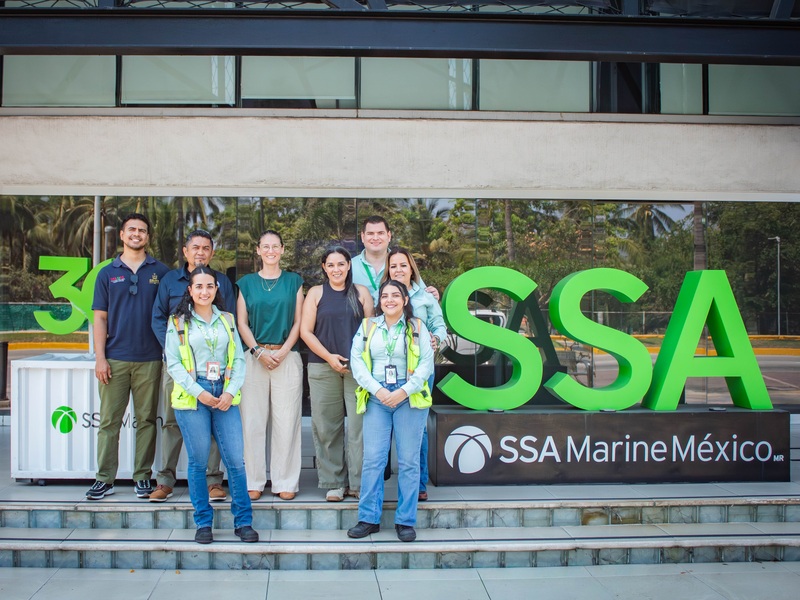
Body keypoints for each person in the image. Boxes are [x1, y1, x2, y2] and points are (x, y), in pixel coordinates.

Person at [164, 266, 257, 544]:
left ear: (216, 289)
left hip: (224, 394)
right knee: (198, 462)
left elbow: (238, 359)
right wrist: (199, 392)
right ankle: (203, 523)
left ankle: (243, 522)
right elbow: (173, 363)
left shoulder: (227, 319)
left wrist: (230, 391)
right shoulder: (178, 322)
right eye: (199, 286)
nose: (204, 291)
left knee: (236, 462)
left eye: (209, 286)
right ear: (190, 290)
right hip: (194, 396)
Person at [149, 230, 237, 503]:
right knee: (172, 422)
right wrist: (175, 350)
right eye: (195, 247)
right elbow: (158, 318)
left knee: (213, 422)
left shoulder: (222, 282)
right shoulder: (169, 281)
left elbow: (230, 321)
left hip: (215, 370)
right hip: (178, 367)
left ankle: (213, 480)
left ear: (212, 253)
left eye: (206, 248)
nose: (200, 252)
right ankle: (165, 480)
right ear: (185, 251)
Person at [86, 213, 169, 500]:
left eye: (142, 230)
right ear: (122, 235)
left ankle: (142, 477)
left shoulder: (161, 272)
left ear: (148, 237)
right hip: (115, 359)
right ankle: (104, 479)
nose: (136, 234)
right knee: (109, 422)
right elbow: (100, 318)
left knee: (146, 421)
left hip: (150, 359)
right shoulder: (107, 273)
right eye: (131, 229)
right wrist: (100, 358)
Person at [347, 279, 434, 542]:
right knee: (373, 459)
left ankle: (405, 521)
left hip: (409, 398)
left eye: (396, 295)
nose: (390, 300)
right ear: (379, 301)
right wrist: (378, 390)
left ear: (405, 300)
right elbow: (357, 361)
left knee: (408, 461)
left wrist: (403, 391)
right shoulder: (367, 326)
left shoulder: (417, 327)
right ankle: (368, 518)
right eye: (385, 296)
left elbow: (426, 364)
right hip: (377, 398)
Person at [300, 246, 373, 502]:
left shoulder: (361, 293)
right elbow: (305, 332)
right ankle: (334, 482)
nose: (336, 269)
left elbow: (371, 331)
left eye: (341, 264)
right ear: (324, 267)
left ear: (349, 265)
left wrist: (358, 361)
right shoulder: (316, 293)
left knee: (359, 427)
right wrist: (330, 357)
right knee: (326, 426)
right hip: (322, 366)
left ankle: (358, 482)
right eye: (330, 265)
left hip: (357, 369)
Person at [236, 230, 304, 501]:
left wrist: (284, 351)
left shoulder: (294, 281)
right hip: (254, 358)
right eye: (266, 246)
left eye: (275, 246)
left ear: (283, 249)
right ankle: (253, 480)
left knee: (287, 421)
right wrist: (257, 351)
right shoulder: (246, 283)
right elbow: (241, 322)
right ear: (258, 250)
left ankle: (285, 481)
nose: (271, 251)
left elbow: (299, 321)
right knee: (252, 421)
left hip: (287, 356)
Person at [383, 247, 447, 502]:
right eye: (393, 266)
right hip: (386, 373)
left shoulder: (426, 296)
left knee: (418, 429)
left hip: (419, 372)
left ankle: (419, 483)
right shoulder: (382, 294)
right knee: (384, 426)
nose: (398, 270)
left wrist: (436, 339)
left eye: (403, 265)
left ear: (412, 268)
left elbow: (439, 325)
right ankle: (382, 476)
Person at [351, 215, 439, 305]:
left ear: (389, 236)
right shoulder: (349, 267)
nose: (375, 238)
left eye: (380, 233)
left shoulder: (402, 264)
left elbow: (422, 294)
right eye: (370, 233)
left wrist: (431, 294)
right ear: (363, 237)